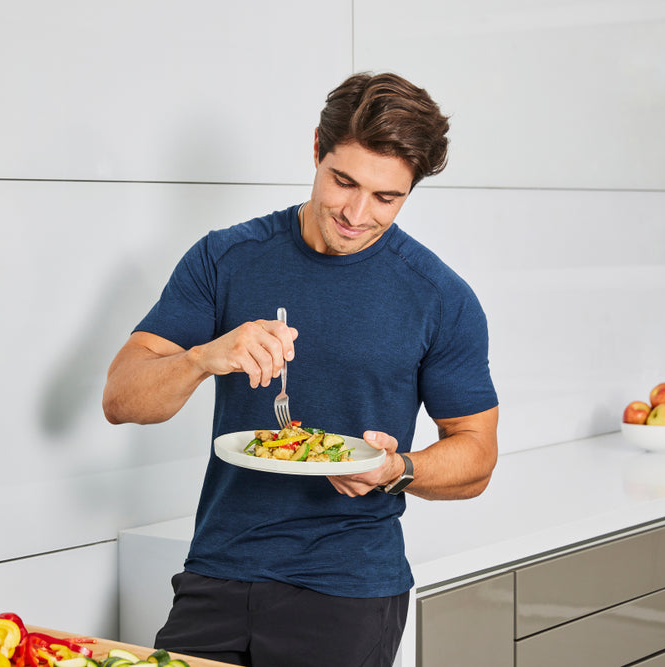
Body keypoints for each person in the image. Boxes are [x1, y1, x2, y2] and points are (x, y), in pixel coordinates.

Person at [102, 71, 499, 667]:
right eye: (344, 181)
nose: (357, 213)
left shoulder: (440, 297)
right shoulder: (226, 258)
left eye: (386, 197)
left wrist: (397, 469)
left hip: (349, 588)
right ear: (317, 149)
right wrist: (203, 358)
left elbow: (477, 456)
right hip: (218, 571)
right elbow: (121, 400)